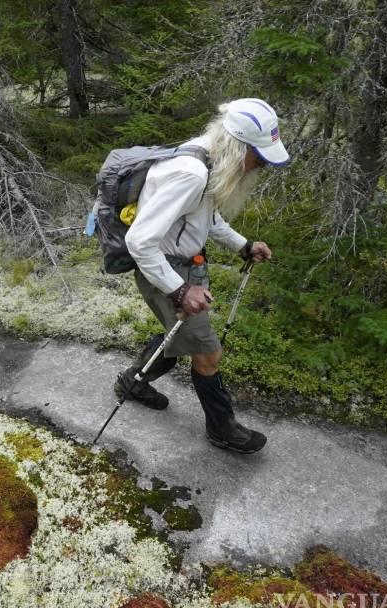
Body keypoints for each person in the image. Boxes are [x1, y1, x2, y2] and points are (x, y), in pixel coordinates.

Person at [114, 98, 289, 454]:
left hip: (184, 267)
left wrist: (244, 245)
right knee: (207, 353)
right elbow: (140, 241)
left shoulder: (209, 158)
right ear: (239, 146)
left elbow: (206, 218)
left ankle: (132, 382)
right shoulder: (190, 172)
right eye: (259, 157)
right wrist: (180, 292)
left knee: (181, 337)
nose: (261, 166)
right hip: (165, 271)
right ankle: (222, 429)